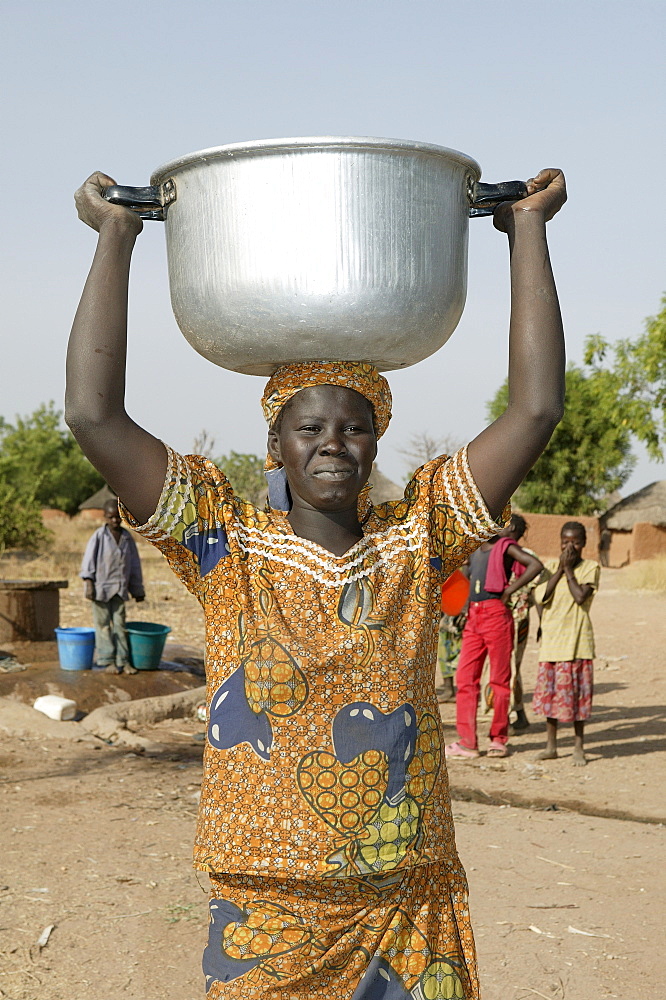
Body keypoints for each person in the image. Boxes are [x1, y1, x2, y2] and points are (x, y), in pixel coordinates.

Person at [66, 165, 566, 1000]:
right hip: (267, 896)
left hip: (405, 891)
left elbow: (536, 410)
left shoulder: (420, 535)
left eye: (356, 428)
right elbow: (93, 417)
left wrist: (528, 233)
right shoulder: (226, 545)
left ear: (376, 445)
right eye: (311, 427)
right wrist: (117, 235)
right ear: (276, 448)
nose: (335, 443)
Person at [445, 532, 543, 759]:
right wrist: (463, 606)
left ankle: (498, 740)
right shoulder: (475, 548)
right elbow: (467, 579)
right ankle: (468, 742)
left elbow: (535, 565)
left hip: (496, 614)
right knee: (465, 678)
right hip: (474, 616)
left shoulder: (505, 546)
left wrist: (509, 590)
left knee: (499, 680)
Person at [532, 522, 599, 766]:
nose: (569, 546)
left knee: (578, 700)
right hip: (552, 644)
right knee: (550, 700)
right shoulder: (550, 567)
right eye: (565, 541)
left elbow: (580, 597)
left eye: (575, 541)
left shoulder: (591, 568)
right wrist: (560, 570)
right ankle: (551, 746)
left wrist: (569, 570)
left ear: (584, 543)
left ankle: (578, 746)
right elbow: (540, 596)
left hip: (577, 643)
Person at [482, 513, 543, 732]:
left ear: (512, 527)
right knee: (503, 667)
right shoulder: (496, 551)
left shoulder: (524, 555)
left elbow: (538, 592)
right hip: (496, 617)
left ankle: (506, 716)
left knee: (509, 667)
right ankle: (516, 713)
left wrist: (542, 623)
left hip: (517, 619)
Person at [80, 497, 145, 674]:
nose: (115, 520)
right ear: (105, 517)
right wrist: (89, 583)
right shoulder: (99, 537)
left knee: (120, 625)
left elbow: (134, 566)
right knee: (102, 625)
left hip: (120, 589)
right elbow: (88, 562)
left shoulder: (126, 538)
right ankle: (106, 660)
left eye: (118, 517)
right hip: (100, 589)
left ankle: (123, 661)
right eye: (111, 517)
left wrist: (137, 590)